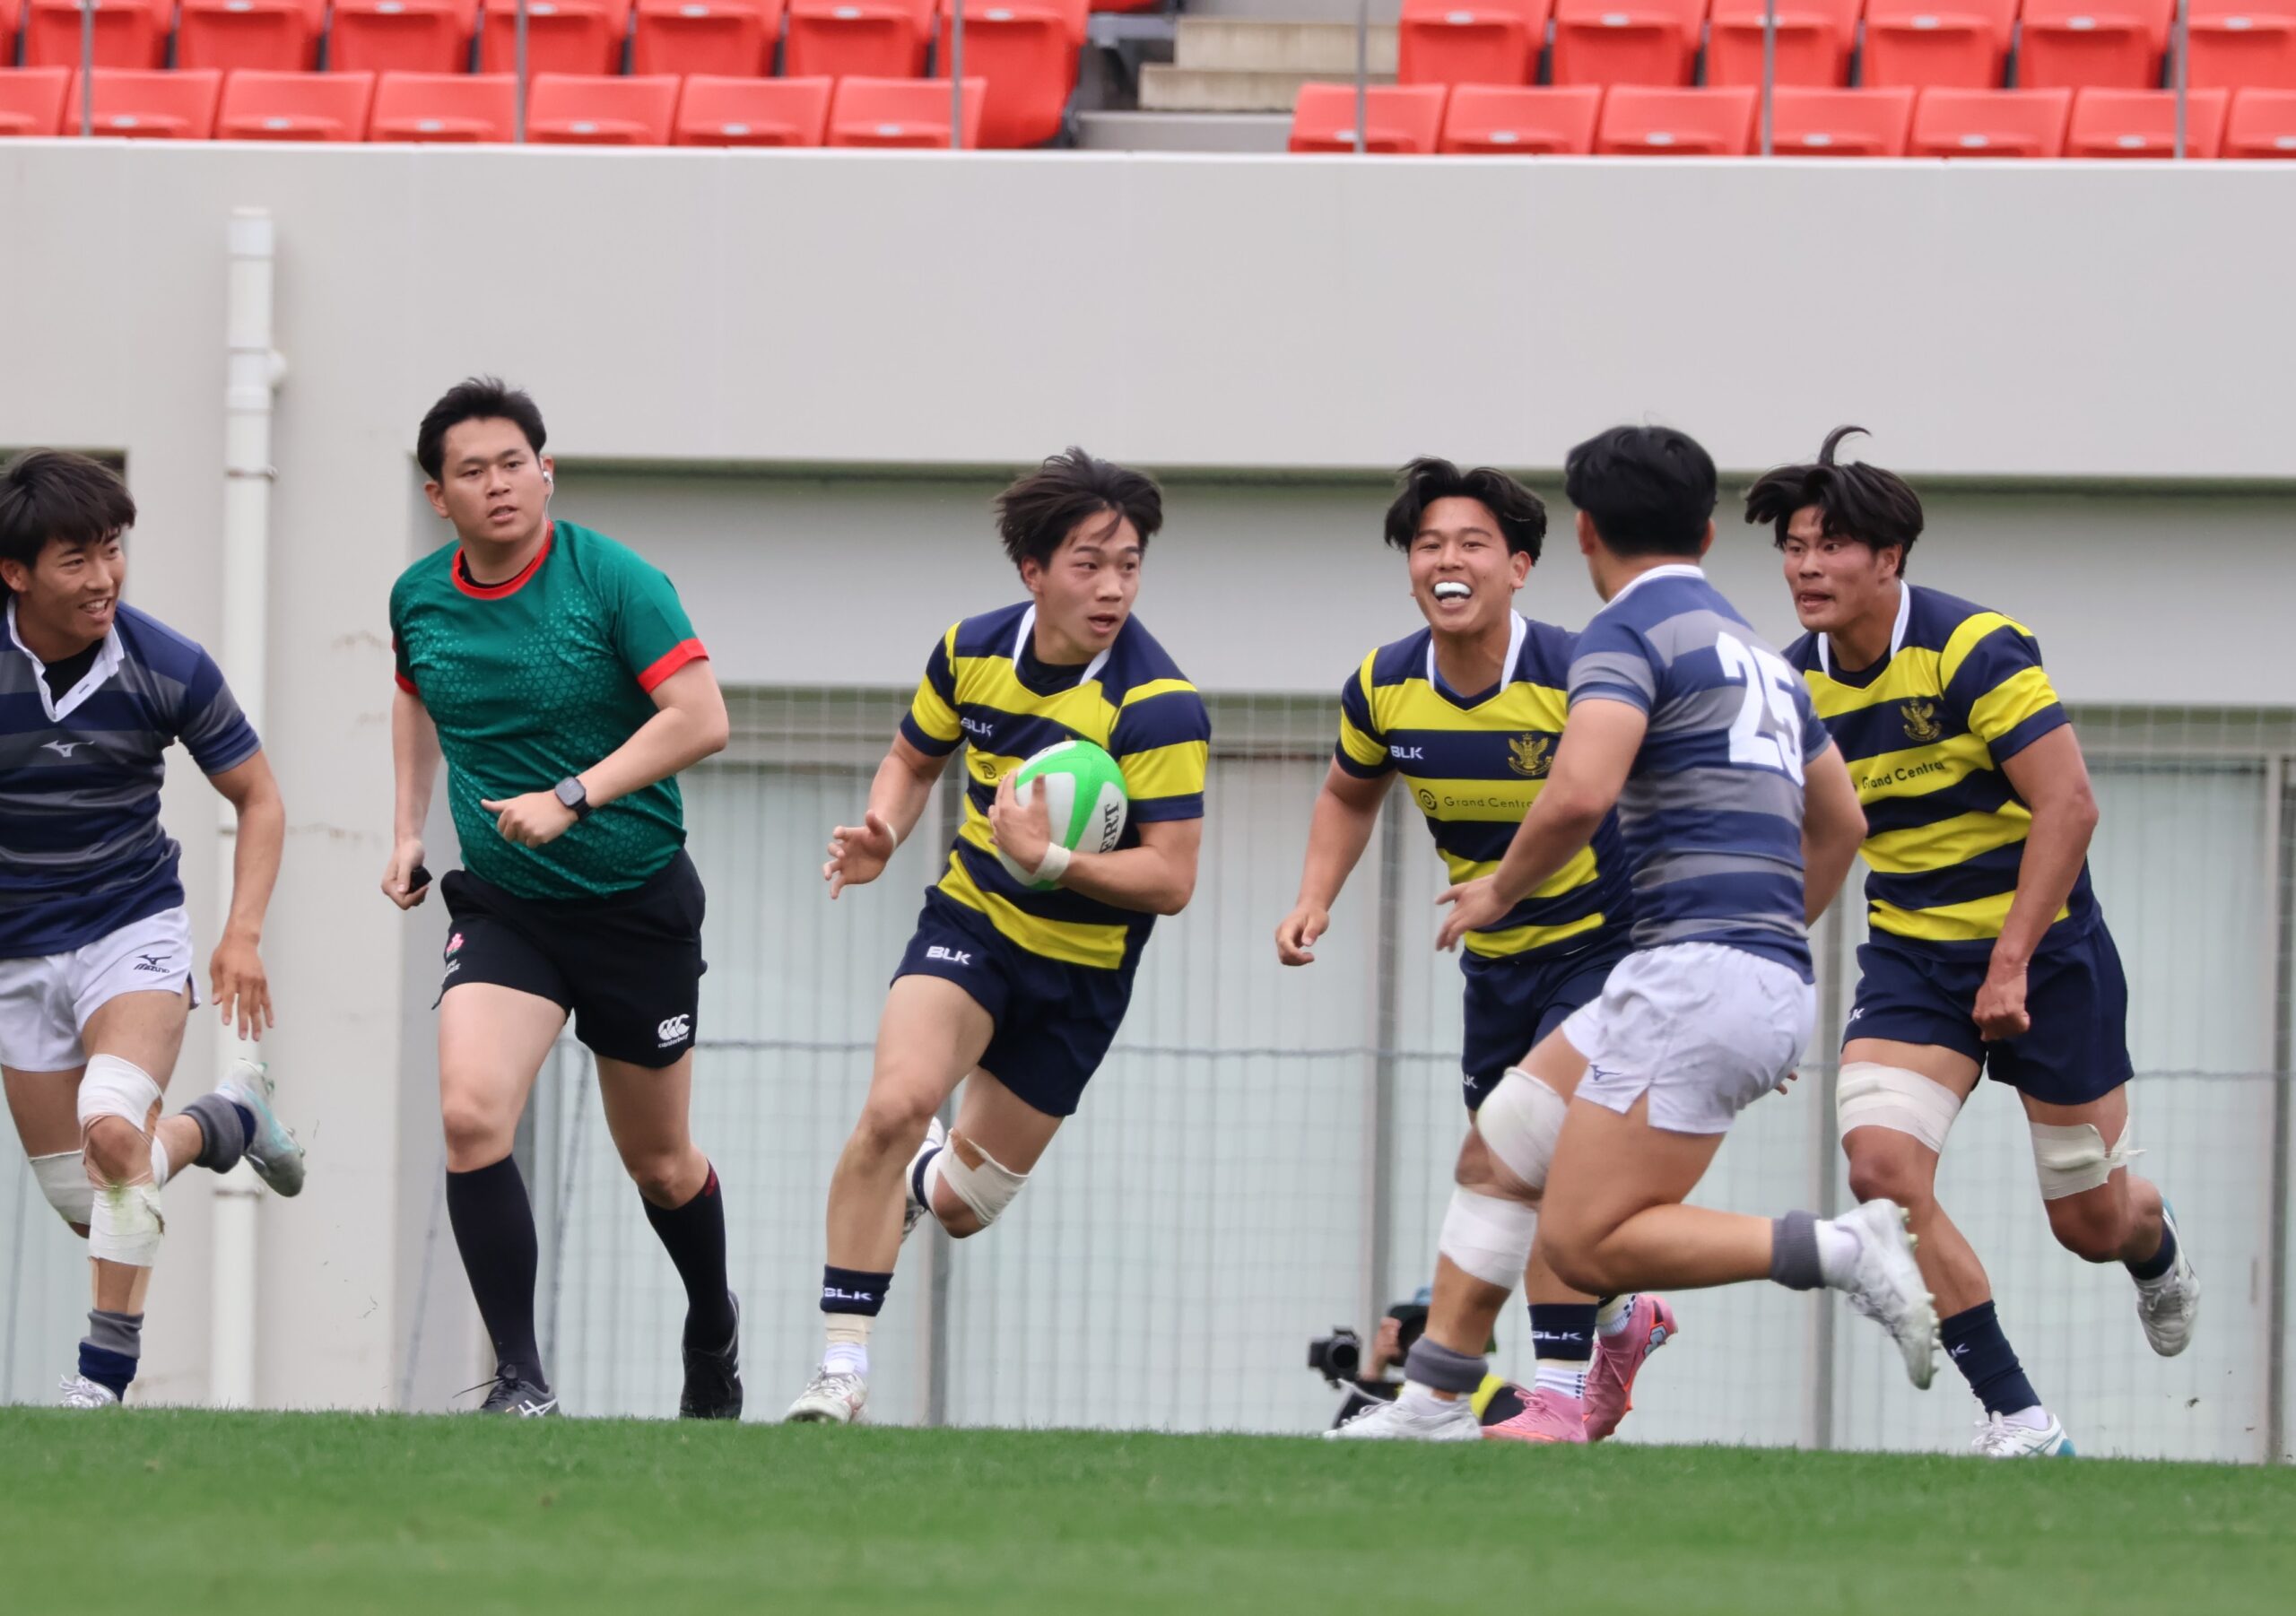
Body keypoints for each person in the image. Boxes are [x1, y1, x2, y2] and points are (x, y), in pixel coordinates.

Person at [1424, 424, 1940, 1409]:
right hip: (1725, 970)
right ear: (1705, 533)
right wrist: (1766, 953)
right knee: (1504, 1140)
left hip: (1695, 973)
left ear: (1584, 532)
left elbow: (1579, 793)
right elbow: (1842, 821)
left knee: (1582, 1241)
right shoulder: (1761, 655)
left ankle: (1841, 1248)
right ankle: (1435, 1397)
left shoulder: (1623, 633)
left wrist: (1497, 889)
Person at [1754, 426, 2199, 1459]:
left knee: (2090, 1227)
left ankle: (2152, 1238)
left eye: (1830, 545)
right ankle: (2017, 1415)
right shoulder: (1790, 684)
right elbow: (1813, 840)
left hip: (2048, 957)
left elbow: (2069, 806)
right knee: (1880, 1169)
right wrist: (1767, 981)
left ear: (1889, 557)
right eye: (1793, 547)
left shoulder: (1972, 647)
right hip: (1912, 958)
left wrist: (2009, 963)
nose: (1806, 566)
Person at [787, 448, 1210, 1425]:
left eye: (1129, 565)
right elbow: (912, 757)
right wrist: (884, 831)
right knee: (894, 1107)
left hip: (1084, 972)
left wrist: (1051, 860)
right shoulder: (971, 650)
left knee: (961, 1208)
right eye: (1088, 564)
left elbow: (1172, 878)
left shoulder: (1157, 703)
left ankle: (917, 1182)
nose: (1113, 588)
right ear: (1033, 571)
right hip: (971, 924)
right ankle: (840, 1366)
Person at [1280, 458, 1673, 1446]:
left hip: (1605, 950)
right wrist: (1314, 898)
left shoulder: (1581, 669)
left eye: (1470, 543)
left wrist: (1717, 962)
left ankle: (1550, 1393)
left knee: (1540, 1154)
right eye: (1428, 545)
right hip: (1496, 966)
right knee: (1511, 1173)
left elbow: (1668, 803)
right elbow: (1347, 793)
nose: (1446, 560)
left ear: (1520, 566)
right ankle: (1622, 1320)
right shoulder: (1384, 684)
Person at [383, 378, 736, 1419]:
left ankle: (711, 1323)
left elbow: (701, 717)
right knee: (469, 1114)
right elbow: (416, 696)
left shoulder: (614, 580)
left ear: (547, 472)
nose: (498, 484)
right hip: (508, 905)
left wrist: (572, 795)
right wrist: (407, 827)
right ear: (438, 495)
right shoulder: (417, 596)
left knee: (661, 1164)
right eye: (472, 471)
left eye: (514, 463)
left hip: (635, 901)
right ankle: (522, 1378)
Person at [0, 448, 301, 1411]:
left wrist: (240, 933)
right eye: (76, 560)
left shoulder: (168, 664)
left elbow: (260, 797)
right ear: (16, 574)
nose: (104, 578)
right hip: (17, 951)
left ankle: (102, 1378)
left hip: (131, 927)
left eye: (112, 550)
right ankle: (229, 1119)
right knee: (90, 1197)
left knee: (111, 1129)